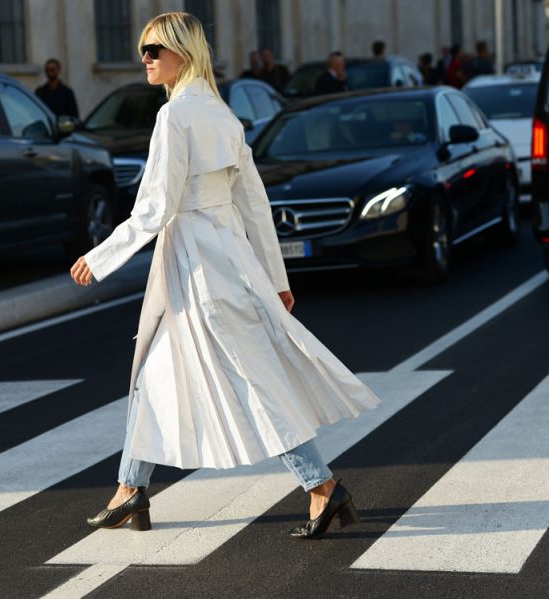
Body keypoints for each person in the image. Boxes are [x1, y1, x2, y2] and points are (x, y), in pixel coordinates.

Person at [70, 11, 380, 540]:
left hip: (197, 266)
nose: (145, 59)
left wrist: (100, 258)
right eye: (143, 49)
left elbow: (155, 206)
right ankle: (131, 490)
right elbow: (254, 204)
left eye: (154, 50)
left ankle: (323, 488)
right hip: (226, 255)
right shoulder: (220, 113)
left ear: (182, 54)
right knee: (153, 374)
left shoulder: (176, 118)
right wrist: (276, 277)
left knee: (250, 379)